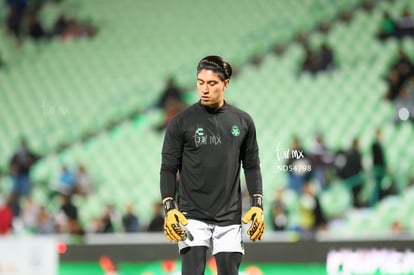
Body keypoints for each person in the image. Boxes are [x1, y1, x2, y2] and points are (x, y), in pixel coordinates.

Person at [159, 55, 264, 275]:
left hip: (229, 215)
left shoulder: (243, 122)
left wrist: (257, 204)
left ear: (225, 83)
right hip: (191, 214)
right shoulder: (180, 122)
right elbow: (168, 168)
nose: (204, 89)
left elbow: (252, 165)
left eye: (212, 83)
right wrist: (169, 208)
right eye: (200, 82)